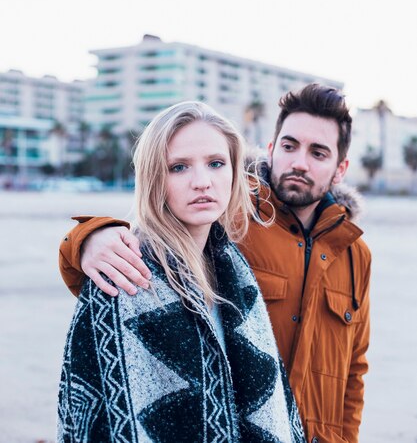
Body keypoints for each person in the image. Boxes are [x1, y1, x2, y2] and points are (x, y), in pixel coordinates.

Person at [60, 84, 371, 443]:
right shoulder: (239, 220)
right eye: (289, 146)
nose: (299, 162)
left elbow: (355, 368)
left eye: (318, 152)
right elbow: (123, 268)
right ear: (271, 150)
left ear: (340, 168)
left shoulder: (354, 252)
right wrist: (87, 238)